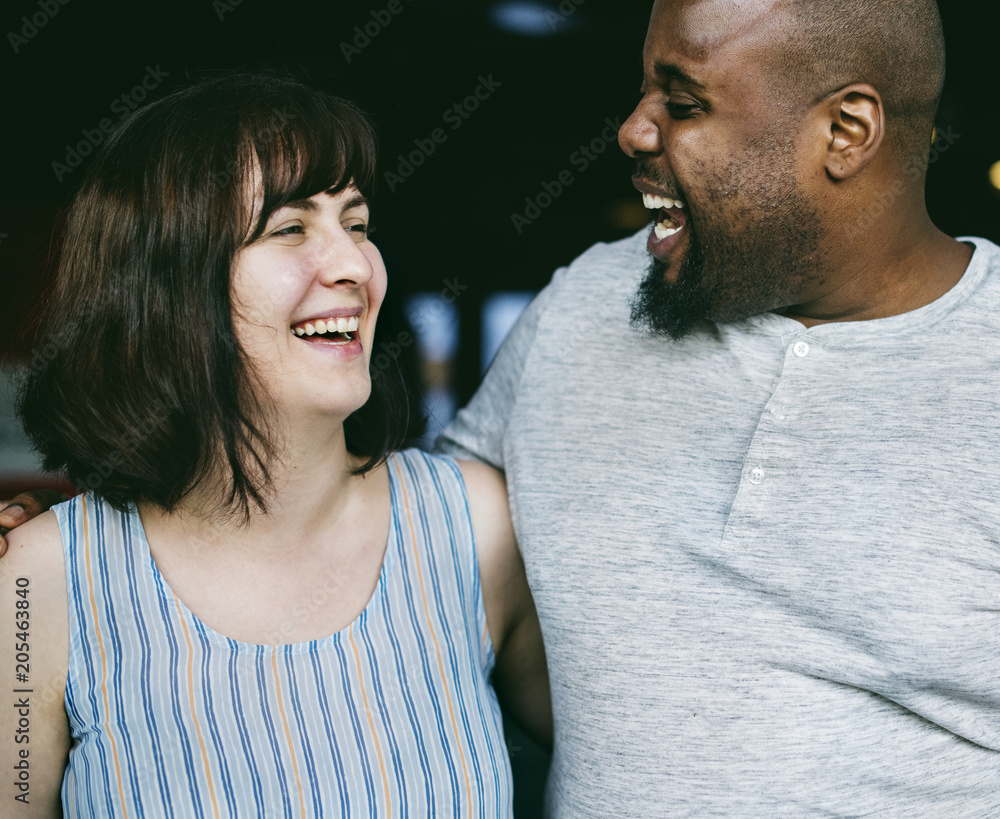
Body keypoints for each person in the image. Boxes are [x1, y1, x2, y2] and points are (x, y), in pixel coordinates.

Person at [6, 0, 1000, 815]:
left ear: (848, 131)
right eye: (290, 228)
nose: (632, 128)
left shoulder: (986, 367)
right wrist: (55, 563)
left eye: (683, 99)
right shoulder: (586, 310)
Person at [1, 72, 549, 816]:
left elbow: (652, 766)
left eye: (356, 223)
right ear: (166, 284)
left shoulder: (476, 528)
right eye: (291, 228)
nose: (355, 265)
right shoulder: (38, 583)